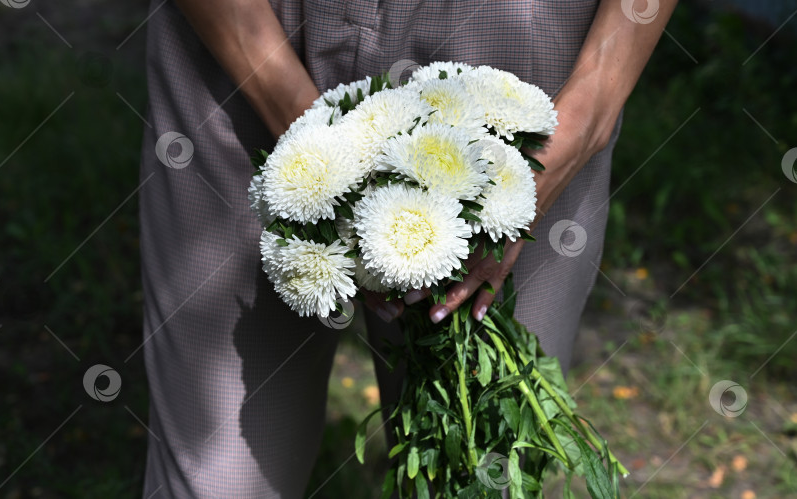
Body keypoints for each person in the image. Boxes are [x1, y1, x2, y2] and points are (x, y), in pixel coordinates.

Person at [136, 0, 676, 496]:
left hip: (512, 40)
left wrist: (581, 122)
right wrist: (324, 146)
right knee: (217, 476)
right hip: (246, 23)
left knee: (478, 465)